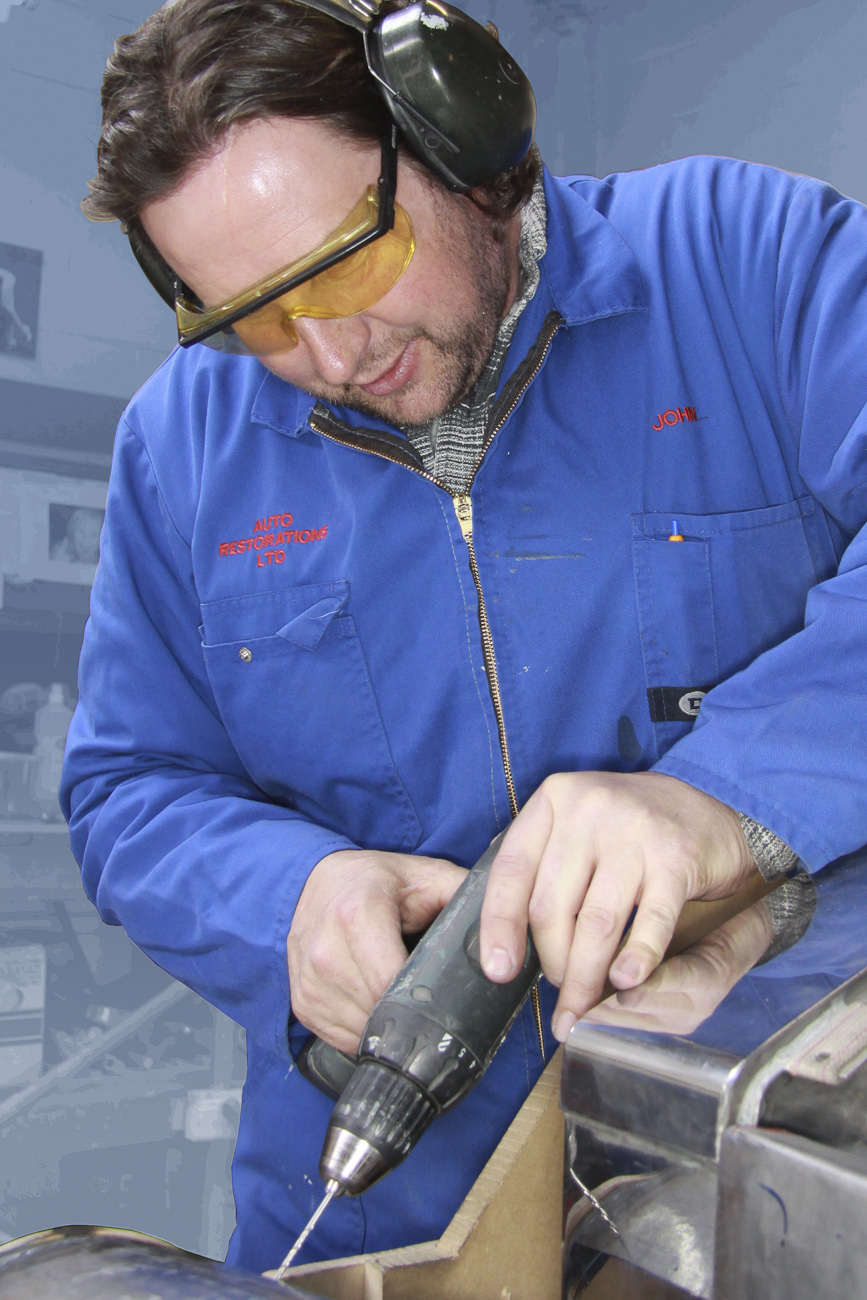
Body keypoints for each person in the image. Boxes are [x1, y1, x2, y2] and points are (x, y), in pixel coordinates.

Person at [61, 0, 867, 1275]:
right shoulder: (182, 449)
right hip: (381, 1202)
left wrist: (729, 802)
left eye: (346, 263)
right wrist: (289, 898)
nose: (329, 350)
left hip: (759, 1172)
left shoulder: (749, 262)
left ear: (465, 147)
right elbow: (128, 787)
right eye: (253, 318)